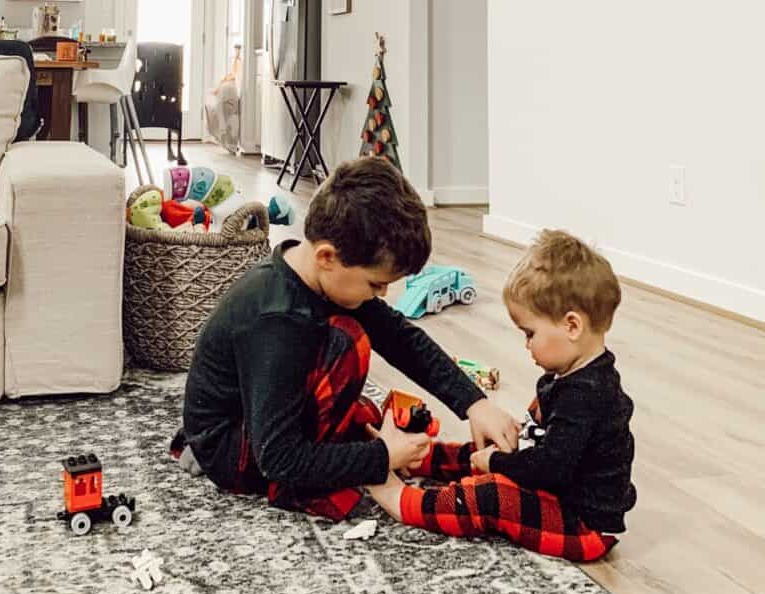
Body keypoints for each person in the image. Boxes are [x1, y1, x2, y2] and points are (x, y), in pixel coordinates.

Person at [172, 156, 520, 521]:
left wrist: (474, 404)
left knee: (366, 414)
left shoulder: (325, 275)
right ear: (326, 256)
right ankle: (329, 475)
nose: (383, 294)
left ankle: (358, 450)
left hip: (260, 417)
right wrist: (381, 458)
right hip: (233, 450)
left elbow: (401, 339)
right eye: (376, 283)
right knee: (348, 345)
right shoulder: (278, 320)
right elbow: (277, 459)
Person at [367, 229, 636, 561]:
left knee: (493, 495)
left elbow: (550, 468)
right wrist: (500, 451)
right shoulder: (567, 378)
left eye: (530, 334)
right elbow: (537, 441)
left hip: (581, 524)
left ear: (572, 326)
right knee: (482, 449)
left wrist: (496, 462)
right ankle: (422, 458)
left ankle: (403, 500)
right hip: (555, 489)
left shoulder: (587, 394)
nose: (526, 345)